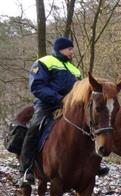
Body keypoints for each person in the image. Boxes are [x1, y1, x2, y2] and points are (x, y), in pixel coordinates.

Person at [17, 37, 109, 186]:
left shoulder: (74, 69)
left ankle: (95, 164)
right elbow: (37, 86)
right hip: (47, 105)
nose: (72, 52)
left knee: (89, 126)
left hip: (71, 107)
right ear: (60, 49)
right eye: (69, 49)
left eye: (72, 49)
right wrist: (59, 99)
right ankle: (25, 170)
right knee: (34, 129)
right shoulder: (44, 62)